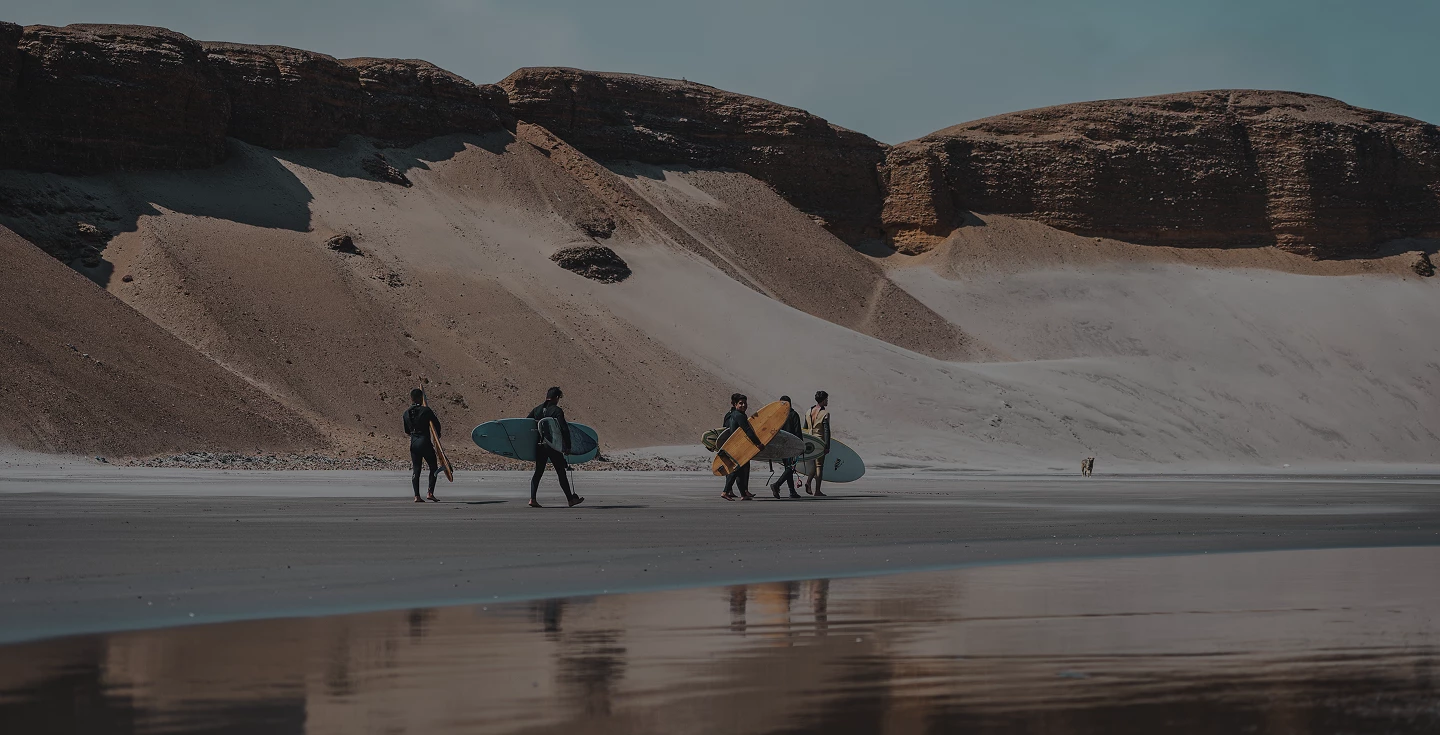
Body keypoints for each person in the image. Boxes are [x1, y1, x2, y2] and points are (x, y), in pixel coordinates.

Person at [528, 386, 584, 508]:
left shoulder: (536, 410)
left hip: (540, 445)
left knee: (538, 472)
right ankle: (570, 499)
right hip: (552, 446)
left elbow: (526, 425)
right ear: (556, 398)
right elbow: (564, 429)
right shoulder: (557, 411)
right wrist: (568, 446)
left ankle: (532, 499)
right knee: (561, 472)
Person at [402, 388, 442, 503]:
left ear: (411, 398)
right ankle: (430, 493)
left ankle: (416, 496)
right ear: (421, 398)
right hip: (425, 442)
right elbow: (436, 425)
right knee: (433, 467)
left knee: (416, 469)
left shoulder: (406, 413)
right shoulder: (426, 411)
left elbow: (407, 431)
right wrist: (437, 437)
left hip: (414, 443)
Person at [720, 393, 761, 501]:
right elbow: (748, 431)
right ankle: (725, 491)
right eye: (740, 403)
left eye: (745, 403)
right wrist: (758, 443)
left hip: (734, 446)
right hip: (739, 447)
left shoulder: (732, 414)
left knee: (739, 470)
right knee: (737, 470)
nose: (743, 405)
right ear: (734, 404)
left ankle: (743, 494)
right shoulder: (740, 415)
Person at [769, 395, 803, 499]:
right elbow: (797, 432)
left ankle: (792, 491)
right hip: (791, 446)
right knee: (790, 468)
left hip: (781, 446)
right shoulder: (793, 415)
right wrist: (800, 446)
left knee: (788, 468)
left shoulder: (778, 416)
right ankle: (777, 485)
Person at [803, 390, 831, 497]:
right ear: (823, 400)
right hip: (819, 441)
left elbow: (805, 428)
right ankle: (817, 491)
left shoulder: (808, 411)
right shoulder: (825, 413)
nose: (827, 401)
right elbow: (827, 430)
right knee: (819, 466)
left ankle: (808, 482)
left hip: (810, 441)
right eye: (826, 399)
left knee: (813, 465)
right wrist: (827, 446)